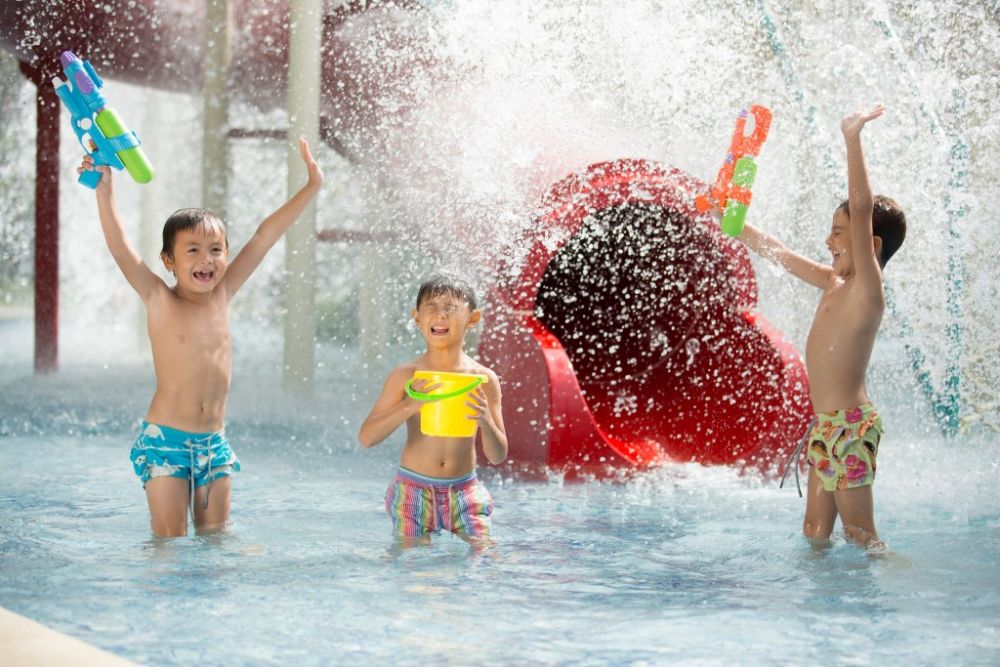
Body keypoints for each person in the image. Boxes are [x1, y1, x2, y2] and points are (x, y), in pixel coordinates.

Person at [80, 137, 323, 537]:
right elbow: (121, 248)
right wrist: (105, 190)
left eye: (216, 249)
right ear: (168, 261)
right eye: (192, 250)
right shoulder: (159, 298)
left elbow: (263, 237)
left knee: (216, 540)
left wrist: (311, 188)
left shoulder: (223, 294)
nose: (206, 259)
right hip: (166, 442)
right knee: (170, 542)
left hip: (213, 445)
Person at [734, 105, 906, 548]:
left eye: (837, 233)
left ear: (870, 245)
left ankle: (886, 583)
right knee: (815, 533)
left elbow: (863, 207)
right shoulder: (833, 281)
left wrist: (852, 138)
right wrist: (734, 224)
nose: (828, 242)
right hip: (825, 426)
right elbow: (777, 251)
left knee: (859, 534)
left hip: (850, 427)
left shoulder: (867, 289)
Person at [358, 274, 508, 547]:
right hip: (413, 489)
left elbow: (498, 456)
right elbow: (366, 437)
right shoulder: (406, 376)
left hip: (465, 492)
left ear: (473, 319)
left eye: (450, 308)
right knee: (412, 563)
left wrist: (486, 421)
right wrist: (410, 405)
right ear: (417, 318)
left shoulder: (484, 379)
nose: (440, 316)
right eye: (431, 308)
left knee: (485, 555)